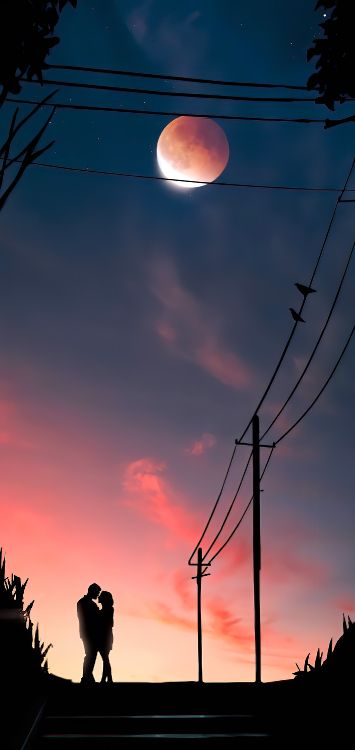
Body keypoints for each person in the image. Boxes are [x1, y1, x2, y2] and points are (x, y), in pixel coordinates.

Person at [77, 583, 101, 684]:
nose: (98, 595)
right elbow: (85, 618)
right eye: (97, 593)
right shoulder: (83, 603)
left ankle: (87, 676)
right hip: (88, 633)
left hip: (90, 633)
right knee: (90, 654)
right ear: (92, 591)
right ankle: (86, 677)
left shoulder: (88, 603)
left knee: (91, 654)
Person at [98, 590, 114, 684]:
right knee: (105, 658)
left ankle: (108, 679)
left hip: (105, 637)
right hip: (105, 636)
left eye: (100, 596)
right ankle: (106, 679)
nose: (98, 597)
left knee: (105, 658)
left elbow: (110, 624)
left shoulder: (108, 609)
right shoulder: (106, 610)